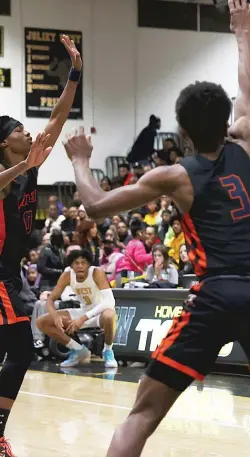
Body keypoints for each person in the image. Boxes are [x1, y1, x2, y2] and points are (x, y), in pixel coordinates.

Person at [65, 2, 250, 456]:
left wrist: (82, 160)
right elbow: (247, 87)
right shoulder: (247, 141)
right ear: (228, 120)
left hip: (216, 294)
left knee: (143, 412)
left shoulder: (176, 176)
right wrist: (242, 32)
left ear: (181, 129)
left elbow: (96, 204)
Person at [0, 34, 82, 456]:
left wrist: (75, 73)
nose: (28, 132)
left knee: (16, 353)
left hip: (10, 276)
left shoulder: (28, 167)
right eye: (18, 130)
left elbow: (56, 119)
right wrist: (22, 165)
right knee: (18, 351)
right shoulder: (8, 177)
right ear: (3, 144)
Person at [36, 249, 118, 368]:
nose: (80, 266)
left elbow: (110, 301)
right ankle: (78, 350)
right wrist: (55, 316)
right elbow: (50, 299)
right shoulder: (67, 275)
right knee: (41, 322)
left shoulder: (96, 272)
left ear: (89, 264)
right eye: (76, 263)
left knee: (110, 315)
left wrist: (83, 319)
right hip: (83, 311)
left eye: (83, 262)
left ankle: (108, 350)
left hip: (100, 312)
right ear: (71, 265)